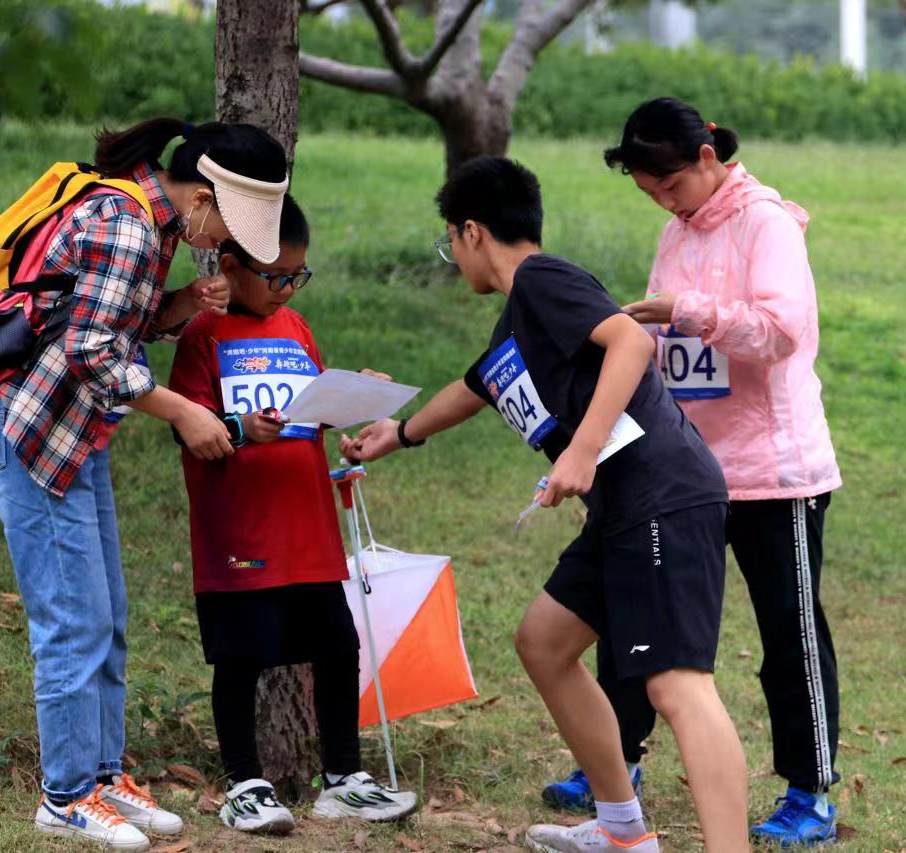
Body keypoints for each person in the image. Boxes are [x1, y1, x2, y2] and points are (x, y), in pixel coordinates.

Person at [342, 156, 749, 853]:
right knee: (545, 642)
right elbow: (476, 387)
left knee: (677, 686)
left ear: (472, 232)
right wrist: (400, 433)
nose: (453, 257)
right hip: (621, 507)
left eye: (450, 242)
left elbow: (631, 341)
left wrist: (581, 451)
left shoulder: (542, 278)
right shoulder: (519, 318)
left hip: (663, 495)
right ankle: (622, 831)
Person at [0, 117, 289, 850]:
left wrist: (181, 302)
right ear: (203, 197)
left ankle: (104, 775)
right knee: (71, 623)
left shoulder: (156, 222)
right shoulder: (126, 224)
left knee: (107, 617)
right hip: (37, 438)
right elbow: (90, 350)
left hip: (75, 438)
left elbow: (114, 321)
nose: (224, 241)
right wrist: (183, 410)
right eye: (228, 224)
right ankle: (65, 797)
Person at [541, 97, 843, 848]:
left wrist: (689, 311)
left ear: (708, 158)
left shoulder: (767, 223)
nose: (667, 203)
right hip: (683, 473)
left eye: (672, 186)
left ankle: (809, 793)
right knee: (634, 611)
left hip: (773, 473)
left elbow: (782, 331)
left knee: (789, 631)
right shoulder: (677, 231)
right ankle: (616, 763)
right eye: (652, 194)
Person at [167, 194, 418, 833]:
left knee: (337, 645)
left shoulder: (297, 327)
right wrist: (240, 428)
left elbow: (310, 407)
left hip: (308, 530)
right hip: (240, 532)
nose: (285, 289)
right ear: (229, 266)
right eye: (275, 277)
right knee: (240, 656)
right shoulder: (203, 336)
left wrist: (356, 400)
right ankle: (244, 785)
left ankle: (344, 779)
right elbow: (185, 427)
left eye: (296, 277)